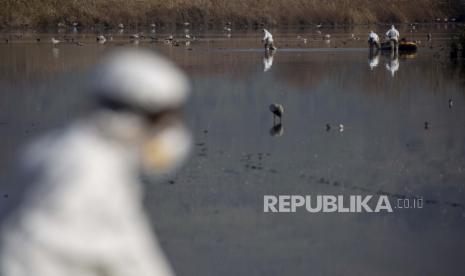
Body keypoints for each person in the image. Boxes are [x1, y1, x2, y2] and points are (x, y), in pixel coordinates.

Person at [0, 49, 192, 276]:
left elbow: (127, 253)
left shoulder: (92, 157)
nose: (170, 132)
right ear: (138, 114)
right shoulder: (85, 168)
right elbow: (23, 250)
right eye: (165, 120)